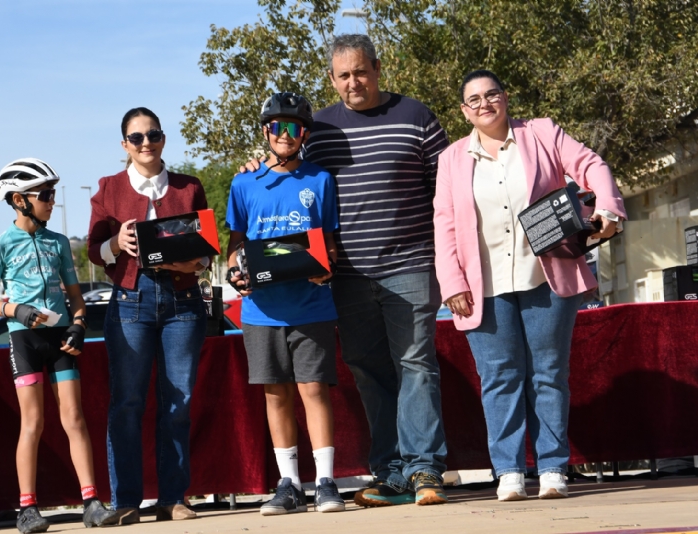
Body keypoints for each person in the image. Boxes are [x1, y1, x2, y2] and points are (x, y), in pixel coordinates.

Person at [246, 34, 451, 507]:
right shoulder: (318, 129)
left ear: (377, 68)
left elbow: (447, 192)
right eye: (343, 75)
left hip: (411, 264)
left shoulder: (416, 116)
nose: (353, 82)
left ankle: (424, 469)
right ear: (332, 79)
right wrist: (259, 165)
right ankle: (391, 473)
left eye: (360, 71)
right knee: (368, 369)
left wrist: (449, 260)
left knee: (416, 364)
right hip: (347, 276)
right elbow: (290, 174)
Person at [433, 69, 627, 501]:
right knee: (499, 378)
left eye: (492, 94)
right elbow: (444, 224)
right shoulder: (451, 159)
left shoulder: (541, 133)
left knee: (549, 374)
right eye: (474, 100)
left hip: (547, 276)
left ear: (505, 98)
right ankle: (509, 472)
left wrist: (608, 209)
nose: (485, 104)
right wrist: (452, 281)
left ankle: (553, 467)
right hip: (483, 286)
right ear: (464, 110)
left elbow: (591, 165)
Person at [0, 158, 118, 533]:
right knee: (33, 422)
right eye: (45, 195)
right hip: (24, 339)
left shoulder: (58, 243)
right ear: (19, 200)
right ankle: (27, 509)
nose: (52, 201)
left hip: (59, 338)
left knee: (74, 418)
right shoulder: (0, 245)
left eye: (53, 194)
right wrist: (15, 310)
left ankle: (91, 502)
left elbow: (75, 296)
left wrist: (79, 325)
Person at [87, 107, 208, 523]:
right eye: (136, 137)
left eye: (153, 134)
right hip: (130, 301)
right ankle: (126, 501)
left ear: (163, 138)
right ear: (125, 145)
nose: (146, 143)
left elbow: (206, 249)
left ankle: (173, 498)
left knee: (178, 403)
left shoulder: (189, 187)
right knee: (127, 402)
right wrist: (116, 244)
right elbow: (94, 251)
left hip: (183, 302)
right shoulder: (108, 188)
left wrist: (196, 263)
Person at [226, 92, 345, 515]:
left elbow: (329, 244)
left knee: (314, 390)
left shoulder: (320, 180)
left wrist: (327, 269)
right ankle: (289, 484)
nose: (285, 134)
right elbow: (235, 245)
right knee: (276, 394)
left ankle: (326, 481)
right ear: (265, 131)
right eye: (277, 126)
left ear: (305, 134)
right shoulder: (244, 183)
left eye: (294, 127)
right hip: (262, 311)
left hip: (311, 306)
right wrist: (235, 273)